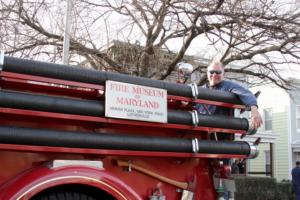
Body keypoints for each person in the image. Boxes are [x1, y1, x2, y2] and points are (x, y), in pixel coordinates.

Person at [195, 61, 263, 131]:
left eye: (218, 72)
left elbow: (246, 94)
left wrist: (254, 110)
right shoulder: (199, 90)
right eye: (211, 72)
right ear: (207, 73)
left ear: (223, 74)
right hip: (199, 131)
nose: (214, 75)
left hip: (221, 134)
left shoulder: (228, 86)